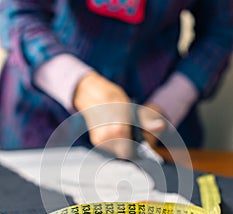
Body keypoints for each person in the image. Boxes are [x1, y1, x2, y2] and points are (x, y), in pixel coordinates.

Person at [0, 0, 232, 155]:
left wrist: (166, 106)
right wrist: (83, 88)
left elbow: (222, 31)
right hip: (41, 123)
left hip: (160, 128)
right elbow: (14, 11)